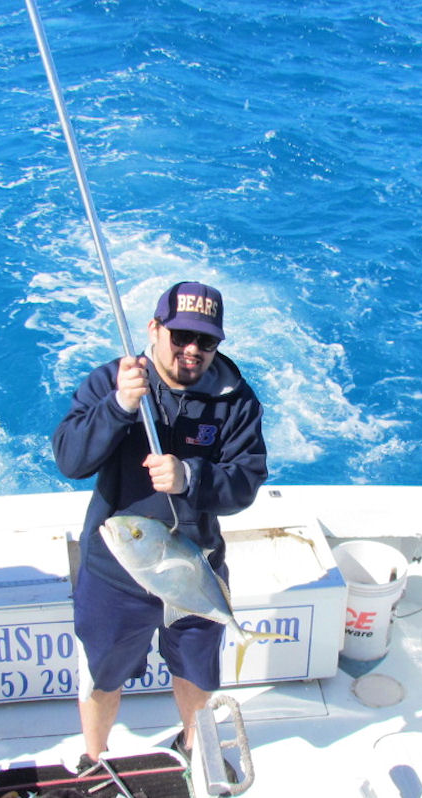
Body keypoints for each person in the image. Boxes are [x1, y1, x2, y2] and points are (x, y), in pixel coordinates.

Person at [52, 281, 267, 770]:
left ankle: (195, 749)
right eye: (181, 336)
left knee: (196, 671)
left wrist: (192, 476)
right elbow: (70, 458)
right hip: (117, 572)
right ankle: (94, 757)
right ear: (155, 329)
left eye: (206, 341)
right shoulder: (115, 380)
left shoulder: (236, 401)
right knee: (103, 673)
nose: (192, 350)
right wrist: (119, 407)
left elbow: (248, 481)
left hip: (194, 568)